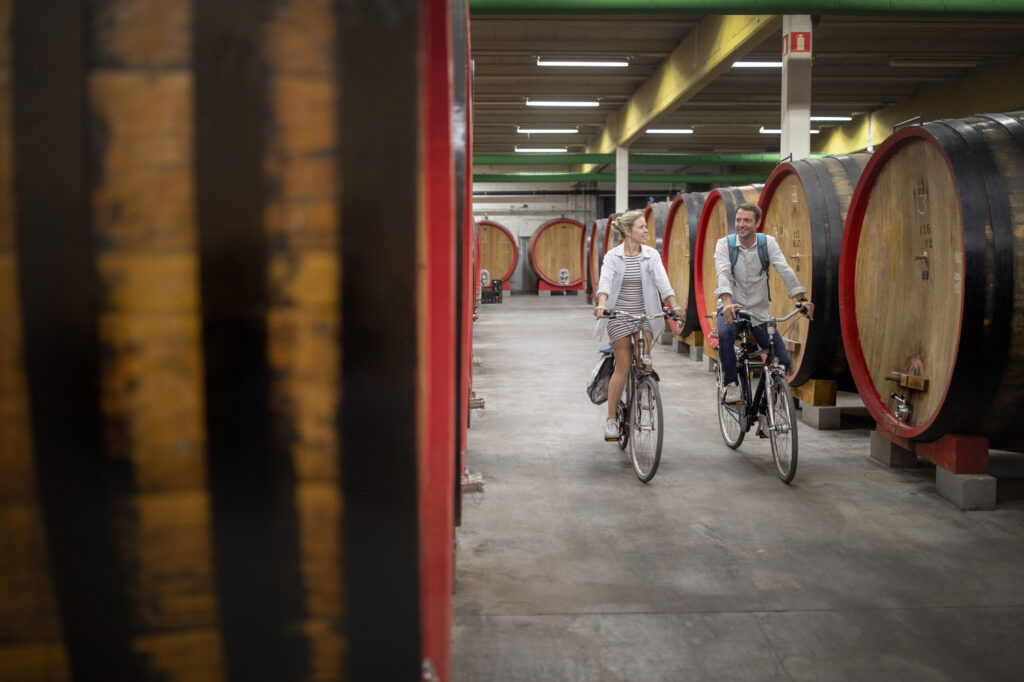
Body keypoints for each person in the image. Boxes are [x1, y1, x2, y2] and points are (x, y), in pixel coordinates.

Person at [714, 202, 814, 428]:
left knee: (782, 360)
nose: (741, 224)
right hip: (733, 306)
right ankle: (731, 383)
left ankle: (762, 412)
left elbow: (784, 268)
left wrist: (800, 298)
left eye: (747, 220)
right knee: (725, 333)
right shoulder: (725, 244)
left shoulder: (767, 243)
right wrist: (727, 303)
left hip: (759, 311)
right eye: (738, 220)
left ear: (757, 223)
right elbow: (723, 273)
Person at [593, 210, 681, 441]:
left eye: (645, 227)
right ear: (628, 231)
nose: (646, 231)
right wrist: (602, 304)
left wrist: (674, 305)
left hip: (646, 313)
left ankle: (645, 389)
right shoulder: (613, 257)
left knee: (645, 360)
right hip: (619, 315)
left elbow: (663, 282)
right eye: (642, 227)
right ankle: (611, 419)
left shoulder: (652, 255)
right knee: (623, 366)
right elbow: (605, 284)